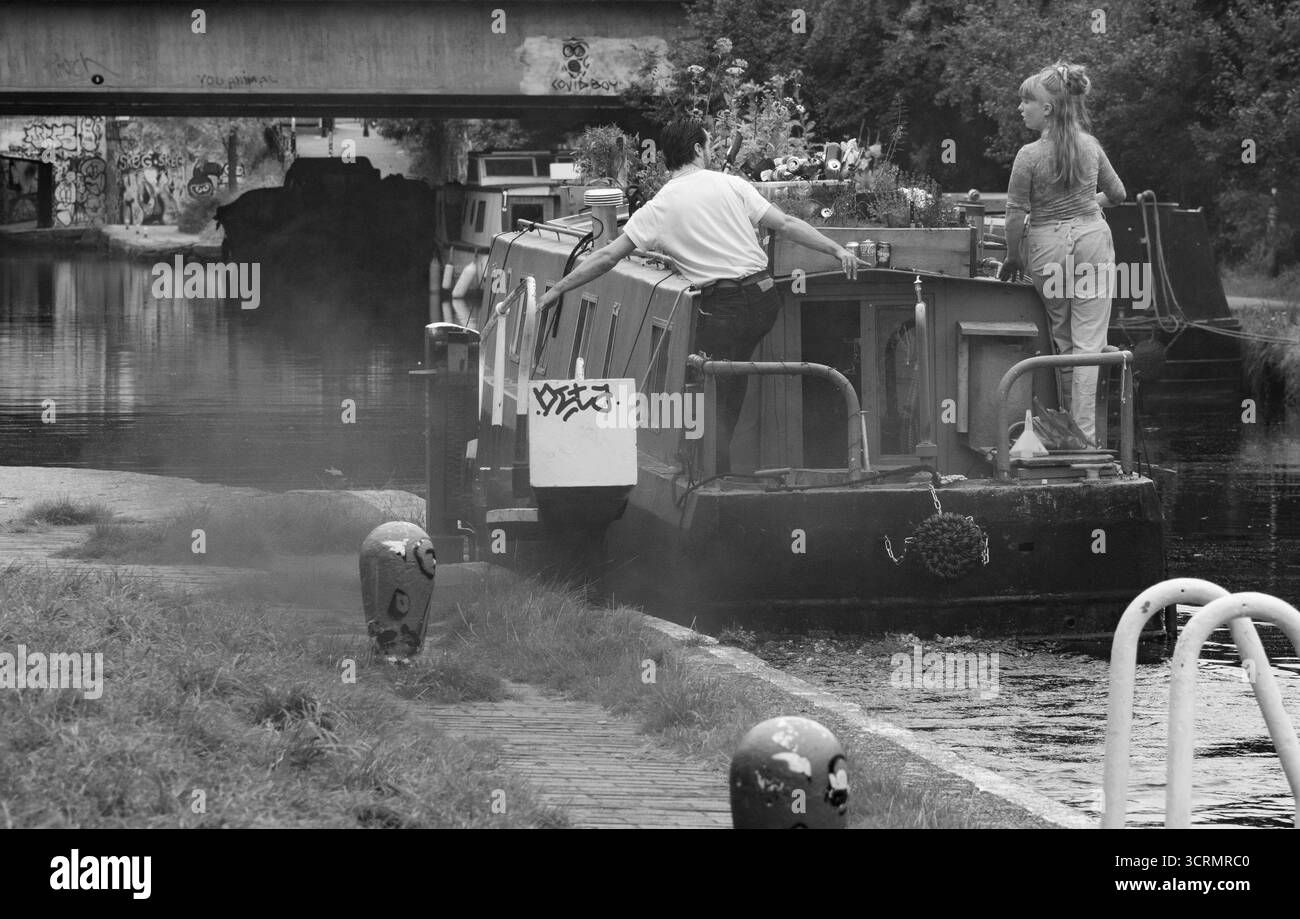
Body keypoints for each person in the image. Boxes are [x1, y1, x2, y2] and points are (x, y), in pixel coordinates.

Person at [536, 118, 860, 472]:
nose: (713, 150)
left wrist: (559, 289)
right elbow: (785, 224)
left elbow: (606, 256)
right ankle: (725, 450)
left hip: (724, 308)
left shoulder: (657, 209)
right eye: (709, 144)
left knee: (699, 385)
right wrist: (837, 250)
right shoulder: (731, 185)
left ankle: (707, 472)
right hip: (766, 298)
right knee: (728, 378)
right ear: (696, 150)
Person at [999, 61, 1126, 447]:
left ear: (1048, 109)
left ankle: (1071, 437)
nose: (1022, 108)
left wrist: (1012, 256)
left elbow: (1015, 214)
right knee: (1089, 344)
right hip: (1091, 240)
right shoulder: (1091, 147)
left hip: (1046, 249)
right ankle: (1085, 442)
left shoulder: (1029, 156)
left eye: (1028, 102)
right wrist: (1087, 204)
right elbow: (1118, 195)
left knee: (1064, 342)